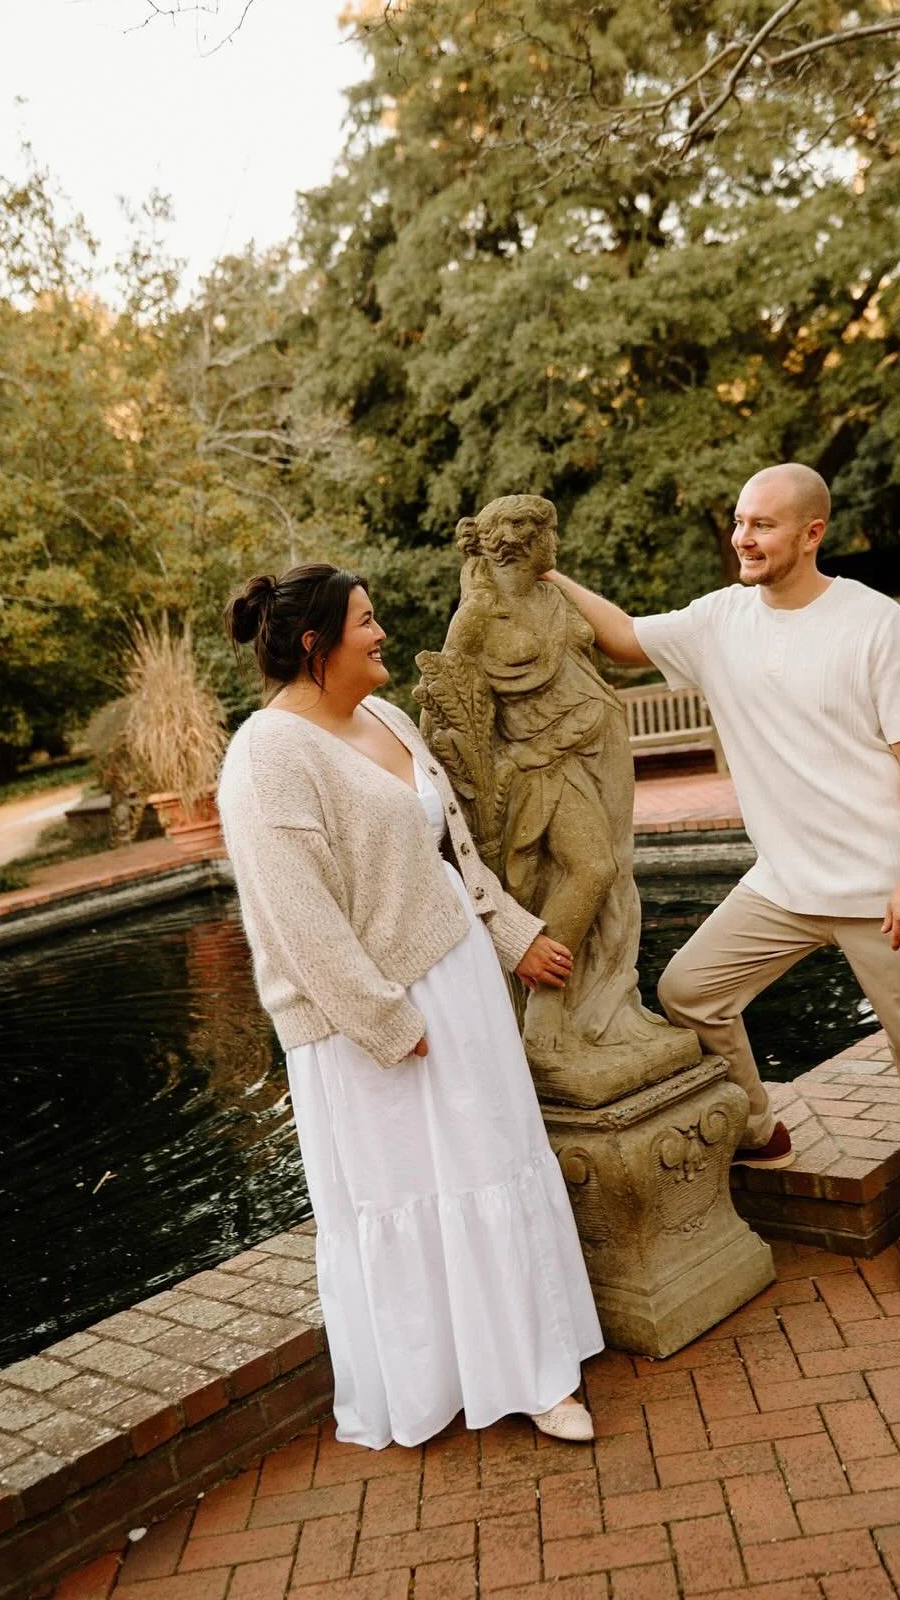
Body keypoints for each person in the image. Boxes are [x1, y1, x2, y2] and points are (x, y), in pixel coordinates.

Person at [546, 465, 900, 1295]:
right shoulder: (720, 620)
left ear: (812, 533)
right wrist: (545, 573)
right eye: (741, 522)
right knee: (690, 989)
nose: (744, 538)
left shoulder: (874, 625)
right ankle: (757, 1125)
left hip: (886, 888)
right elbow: (626, 637)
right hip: (785, 883)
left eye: (764, 525)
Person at [216, 563, 603, 1448]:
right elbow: (296, 916)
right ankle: (454, 1377)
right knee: (415, 1193)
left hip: (457, 982)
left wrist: (509, 935)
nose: (382, 630)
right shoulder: (265, 756)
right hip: (373, 1020)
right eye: (365, 620)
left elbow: (450, 851)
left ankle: (535, 1368)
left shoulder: (385, 718)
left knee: (495, 1162)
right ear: (316, 645)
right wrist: (387, 1022)